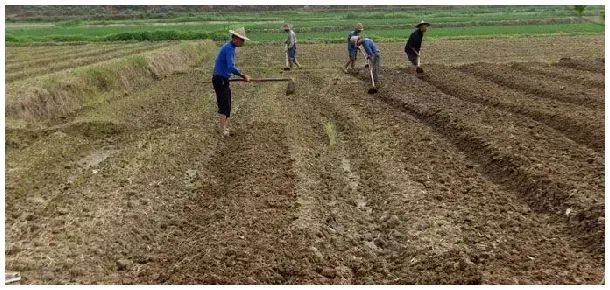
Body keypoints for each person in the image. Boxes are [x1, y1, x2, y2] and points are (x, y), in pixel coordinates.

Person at [212, 27, 251, 137]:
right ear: (236, 38)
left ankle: (225, 127)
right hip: (220, 79)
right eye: (242, 40)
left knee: (228, 105)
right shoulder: (228, 48)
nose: (242, 43)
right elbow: (231, 67)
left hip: (224, 79)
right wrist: (242, 75)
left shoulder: (231, 47)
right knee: (224, 105)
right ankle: (223, 130)